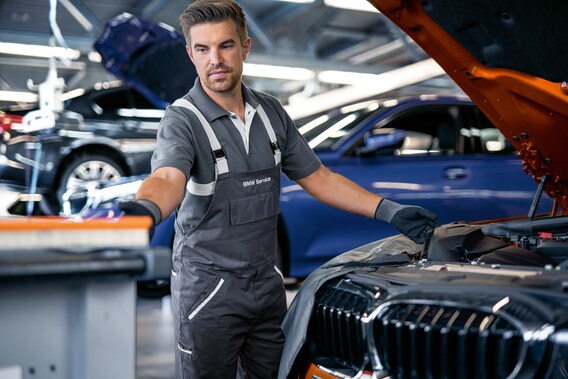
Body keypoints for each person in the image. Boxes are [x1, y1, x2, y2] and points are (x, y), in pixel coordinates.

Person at [119, 0, 437, 378]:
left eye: (225, 46)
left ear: (245, 47)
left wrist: (389, 210)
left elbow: (319, 178)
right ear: (190, 54)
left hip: (267, 285)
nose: (214, 60)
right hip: (208, 293)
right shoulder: (182, 120)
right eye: (202, 49)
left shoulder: (271, 113)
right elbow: (168, 177)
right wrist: (147, 209)